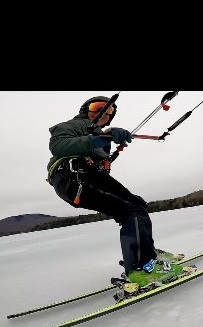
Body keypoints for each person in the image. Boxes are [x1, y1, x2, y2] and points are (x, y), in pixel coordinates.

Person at [47, 96, 158, 281]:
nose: (103, 112)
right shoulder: (72, 126)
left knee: (137, 205)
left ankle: (144, 253)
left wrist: (107, 138)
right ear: (86, 110)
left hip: (87, 176)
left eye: (109, 111)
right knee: (132, 209)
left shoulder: (102, 138)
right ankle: (141, 265)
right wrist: (98, 139)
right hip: (72, 175)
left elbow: (97, 156)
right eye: (98, 107)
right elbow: (58, 146)